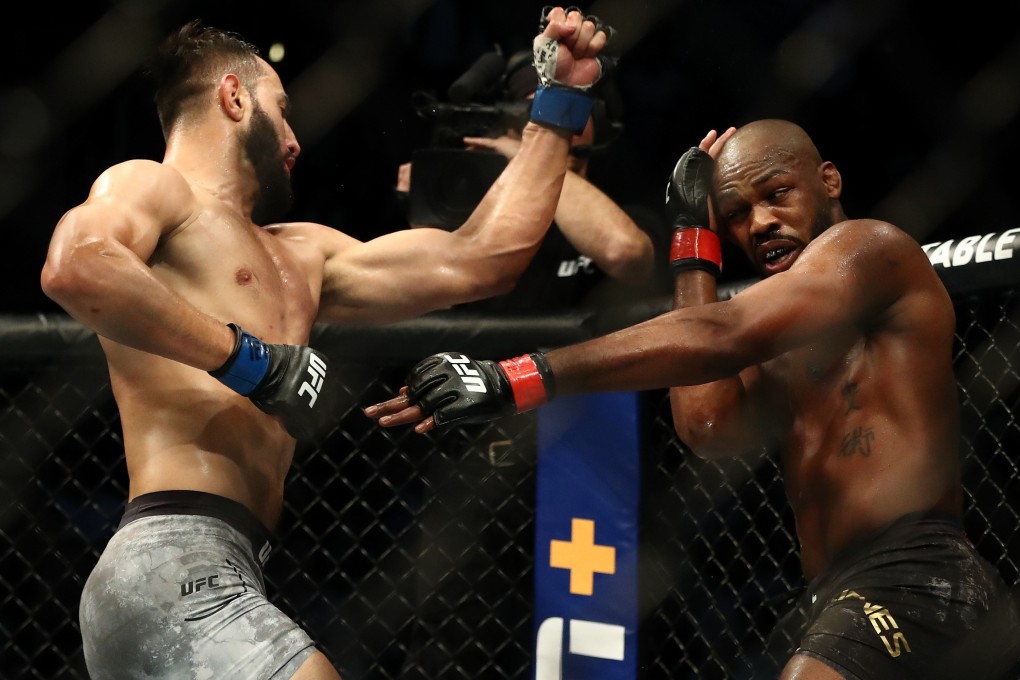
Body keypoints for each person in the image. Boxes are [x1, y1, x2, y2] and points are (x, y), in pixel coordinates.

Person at [39, 8, 612, 679]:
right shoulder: (155, 187)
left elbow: (480, 260)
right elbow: (77, 265)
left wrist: (560, 104)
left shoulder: (300, 255)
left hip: (235, 562)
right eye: (282, 111)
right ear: (233, 97)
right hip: (172, 558)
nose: (294, 139)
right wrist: (247, 360)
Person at [365, 119, 1020, 679]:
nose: (761, 222)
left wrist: (517, 377)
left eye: (778, 194)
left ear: (829, 181)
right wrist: (692, 243)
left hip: (917, 571)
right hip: (838, 589)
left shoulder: (871, 250)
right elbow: (708, 423)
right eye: (736, 213)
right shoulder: (785, 338)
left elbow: (720, 334)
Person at [396, 49, 669, 314]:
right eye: (534, 113)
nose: (551, 126)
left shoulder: (633, 214)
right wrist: (424, 223)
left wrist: (532, 157)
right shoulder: (482, 222)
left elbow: (624, 253)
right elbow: (434, 309)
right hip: (492, 358)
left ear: (598, 117)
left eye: (566, 110)